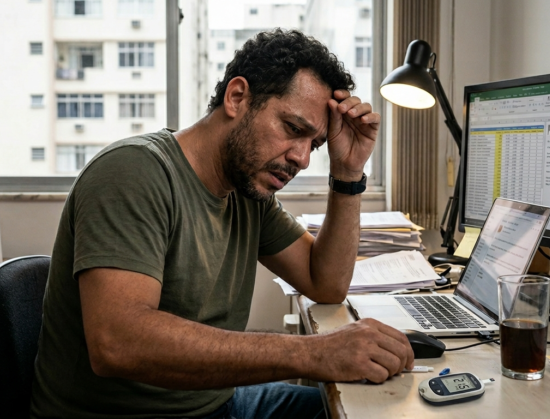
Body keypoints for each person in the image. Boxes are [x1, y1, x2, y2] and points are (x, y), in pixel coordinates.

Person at [30, 29, 414, 419]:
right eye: (293, 129)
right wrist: (312, 354)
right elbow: (117, 343)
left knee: (371, 413)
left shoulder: (248, 192)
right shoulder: (133, 172)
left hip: (216, 402)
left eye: (313, 145)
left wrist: (348, 173)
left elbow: (326, 283)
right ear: (237, 97)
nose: (301, 158)